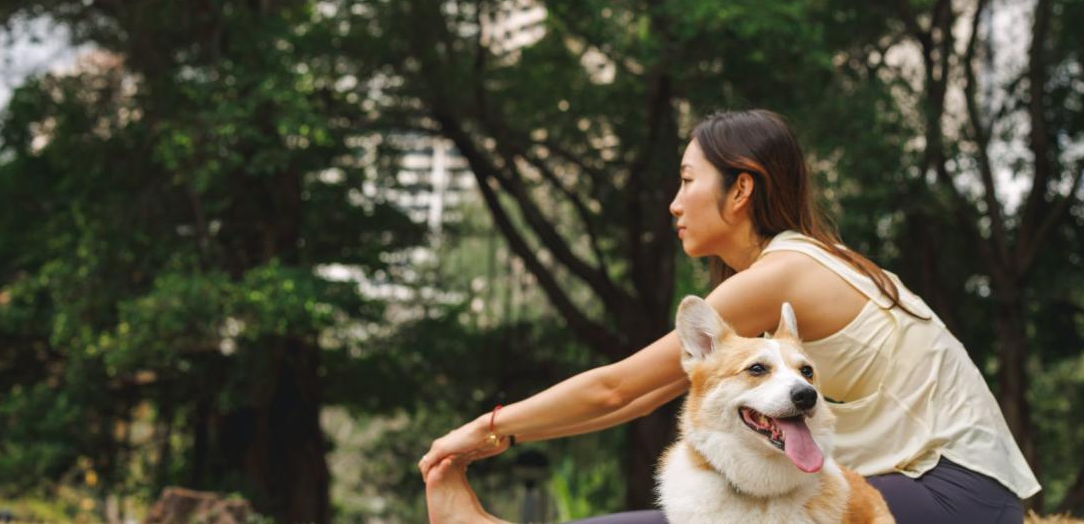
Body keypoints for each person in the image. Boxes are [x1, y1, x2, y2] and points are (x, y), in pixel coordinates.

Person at [419, 109, 1040, 523]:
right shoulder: (787, 271)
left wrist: (485, 430)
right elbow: (641, 397)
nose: (673, 203)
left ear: (740, 190)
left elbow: (615, 390)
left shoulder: (784, 272)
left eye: (688, 181)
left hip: (956, 497)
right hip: (941, 489)